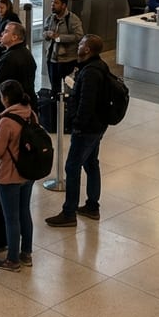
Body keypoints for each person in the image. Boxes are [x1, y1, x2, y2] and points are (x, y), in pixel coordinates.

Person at [45, 35, 109, 228]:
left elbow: (86, 104)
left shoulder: (90, 73)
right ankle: (92, 206)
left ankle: (69, 212)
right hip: (98, 126)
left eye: (81, 44)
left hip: (87, 129)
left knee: (72, 167)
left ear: (87, 50)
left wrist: (77, 124)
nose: (78, 46)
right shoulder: (99, 66)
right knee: (91, 163)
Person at [0, 79, 36, 272]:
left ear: (5, 98)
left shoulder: (6, 120)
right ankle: (27, 253)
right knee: (25, 212)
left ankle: (12, 259)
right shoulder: (30, 113)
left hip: (9, 175)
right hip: (27, 172)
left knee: (11, 217)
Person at [0, 22, 37, 120]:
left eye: (6, 31)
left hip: (7, 111)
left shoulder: (8, 59)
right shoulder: (26, 54)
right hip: (23, 108)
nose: (2, 33)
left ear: (14, 37)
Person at [43, 0, 84, 92]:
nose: (52, 5)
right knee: (54, 87)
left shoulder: (72, 19)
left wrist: (60, 37)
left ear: (64, 5)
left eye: (56, 3)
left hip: (68, 59)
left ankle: (67, 105)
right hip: (52, 58)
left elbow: (79, 35)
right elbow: (44, 32)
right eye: (52, 2)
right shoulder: (50, 18)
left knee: (69, 86)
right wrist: (47, 34)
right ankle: (55, 104)